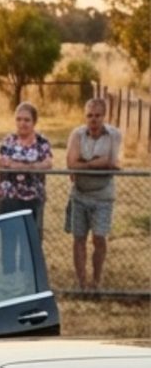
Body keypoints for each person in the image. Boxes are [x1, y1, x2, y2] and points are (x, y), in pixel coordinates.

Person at [66, 96, 122, 289]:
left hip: (103, 195)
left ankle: (96, 281)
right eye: (89, 115)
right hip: (79, 194)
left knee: (99, 238)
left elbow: (114, 164)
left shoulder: (114, 135)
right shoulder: (77, 135)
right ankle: (82, 282)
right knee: (79, 238)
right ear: (85, 116)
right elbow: (71, 164)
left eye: (97, 115)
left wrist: (84, 163)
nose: (93, 119)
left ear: (104, 116)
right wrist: (95, 163)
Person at [0, 102, 55, 237]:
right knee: (9, 239)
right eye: (19, 119)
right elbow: (3, 163)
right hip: (9, 197)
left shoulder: (42, 142)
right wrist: (33, 166)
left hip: (34, 197)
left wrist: (17, 165)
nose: (22, 123)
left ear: (34, 122)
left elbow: (47, 164)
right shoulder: (8, 141)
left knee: (31, 240)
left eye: (27, 120)